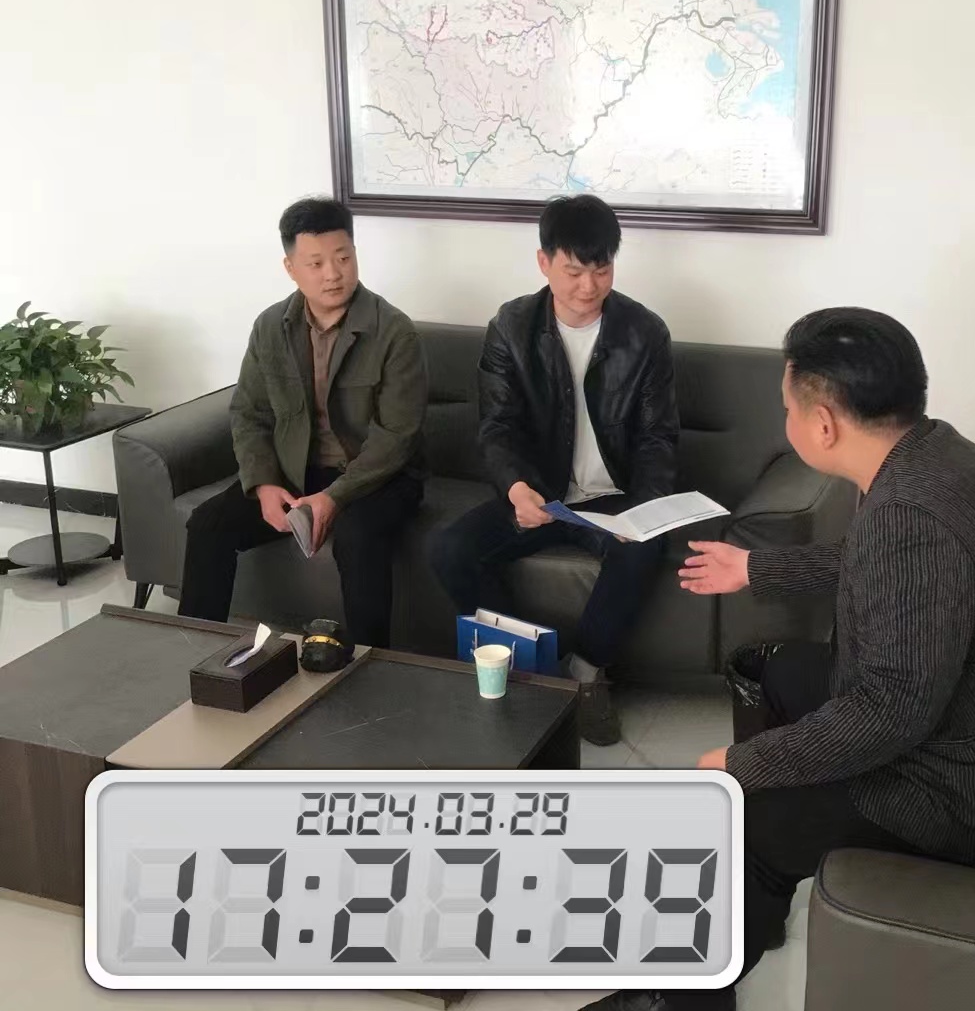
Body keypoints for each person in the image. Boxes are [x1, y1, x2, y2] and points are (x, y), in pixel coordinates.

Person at [567, 307, 975, 1011]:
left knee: (759, 809)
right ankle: (759, 901)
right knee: (785, 670)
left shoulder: (912, 513)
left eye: (787, 407)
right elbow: (887, 569)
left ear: (823, 424)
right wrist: (757, 567)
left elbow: (891, 711)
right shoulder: (930, 457)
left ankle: (694, 993)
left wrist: (744, 764)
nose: (786, 420)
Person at [429, 193, 678, 745]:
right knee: (450, 549)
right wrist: (516, 488)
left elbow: (657, 438)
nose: (588, 286)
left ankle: (585, 675)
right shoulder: (512, 326)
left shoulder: (644, 333)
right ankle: (533, 666)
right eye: (573, 271)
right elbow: (497, 426)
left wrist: (645, 510)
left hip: (613, 499)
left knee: (644, 546)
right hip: (540, 492)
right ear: (543, 263)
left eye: (601, 270)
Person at [178, 197, 427, 648]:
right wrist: (263, 484)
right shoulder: (270, 327)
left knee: (357, 536)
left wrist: (334, 496)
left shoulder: (394, 330)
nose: (333, 273)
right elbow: (249, 413)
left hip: (380, 478)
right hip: (296, 471)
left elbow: (395, 437)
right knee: (208, 524)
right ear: (291, 268)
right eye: (316, 263)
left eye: (343, 258)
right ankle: (194, 654)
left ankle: (371, 664)